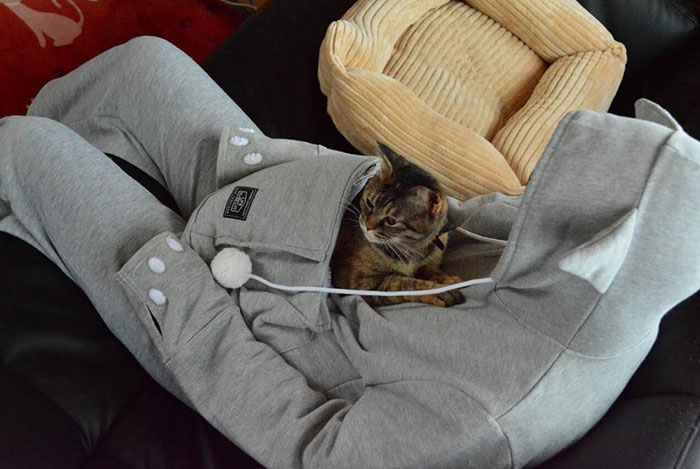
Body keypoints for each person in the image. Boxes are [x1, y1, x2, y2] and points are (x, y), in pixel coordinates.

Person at [2, 37, 698, 468]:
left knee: (26, 149)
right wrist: (287, 174)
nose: (534, 190)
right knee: (145, 64)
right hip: (296, 223)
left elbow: (309, 444)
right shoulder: (580, 264)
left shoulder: (488, 414)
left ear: (595, 247)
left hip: (221, 314)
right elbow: (442, 212)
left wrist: (189, 300)